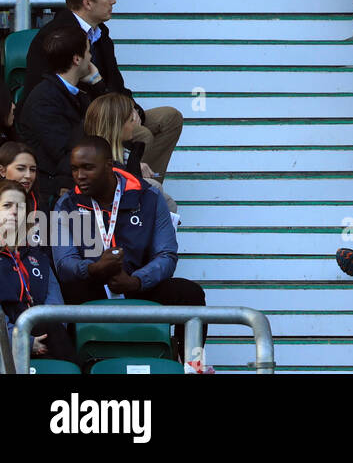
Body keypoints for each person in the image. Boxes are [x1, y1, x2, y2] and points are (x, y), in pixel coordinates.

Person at [22, 0, 184, 181]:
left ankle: (143, 189)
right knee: (141, 135)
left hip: (113, 111)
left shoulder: (101, 33)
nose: (113, 0)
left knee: (169, 118)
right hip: (86, 124)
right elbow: (48, 100)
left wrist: (132, 109)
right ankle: (131, 189)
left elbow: (118, 85)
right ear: (88, 2)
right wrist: (117, 114)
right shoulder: (57, 38)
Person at [52, 137, 206, 311]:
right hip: (92, 285)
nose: (79, 176)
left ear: (109, 166)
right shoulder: (67, 204)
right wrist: (94, 268)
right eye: (74, 169)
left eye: (88, 168)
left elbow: (166, 255)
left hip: (139, 285)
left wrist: (137, 281)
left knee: (190, 294)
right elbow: (64, 262)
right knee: (68, 291)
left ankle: (179, 340)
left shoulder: (149, 197)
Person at [19, 28, 95, 210]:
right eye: (88, 52)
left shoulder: (77, 92)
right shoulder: (44, 100)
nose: (91, 57)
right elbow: (63, 156)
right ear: (77, 59)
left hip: (78, 177)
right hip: (55, 190)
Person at [0, 180, 71, 361]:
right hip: (8, 345)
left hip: (47, 338)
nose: (15, 212)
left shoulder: (38, 256)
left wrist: (43, 337)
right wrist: (26, 342)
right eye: (7, 205)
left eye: (20, 207)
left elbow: (57, 307)